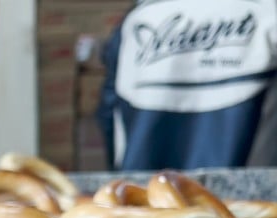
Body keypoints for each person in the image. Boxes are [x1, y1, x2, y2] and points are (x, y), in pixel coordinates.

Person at [97, 0, 277, 171]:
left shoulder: (139, 16)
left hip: (146, 192)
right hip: (247, 194)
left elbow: (109, 112)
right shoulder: (267, 11)